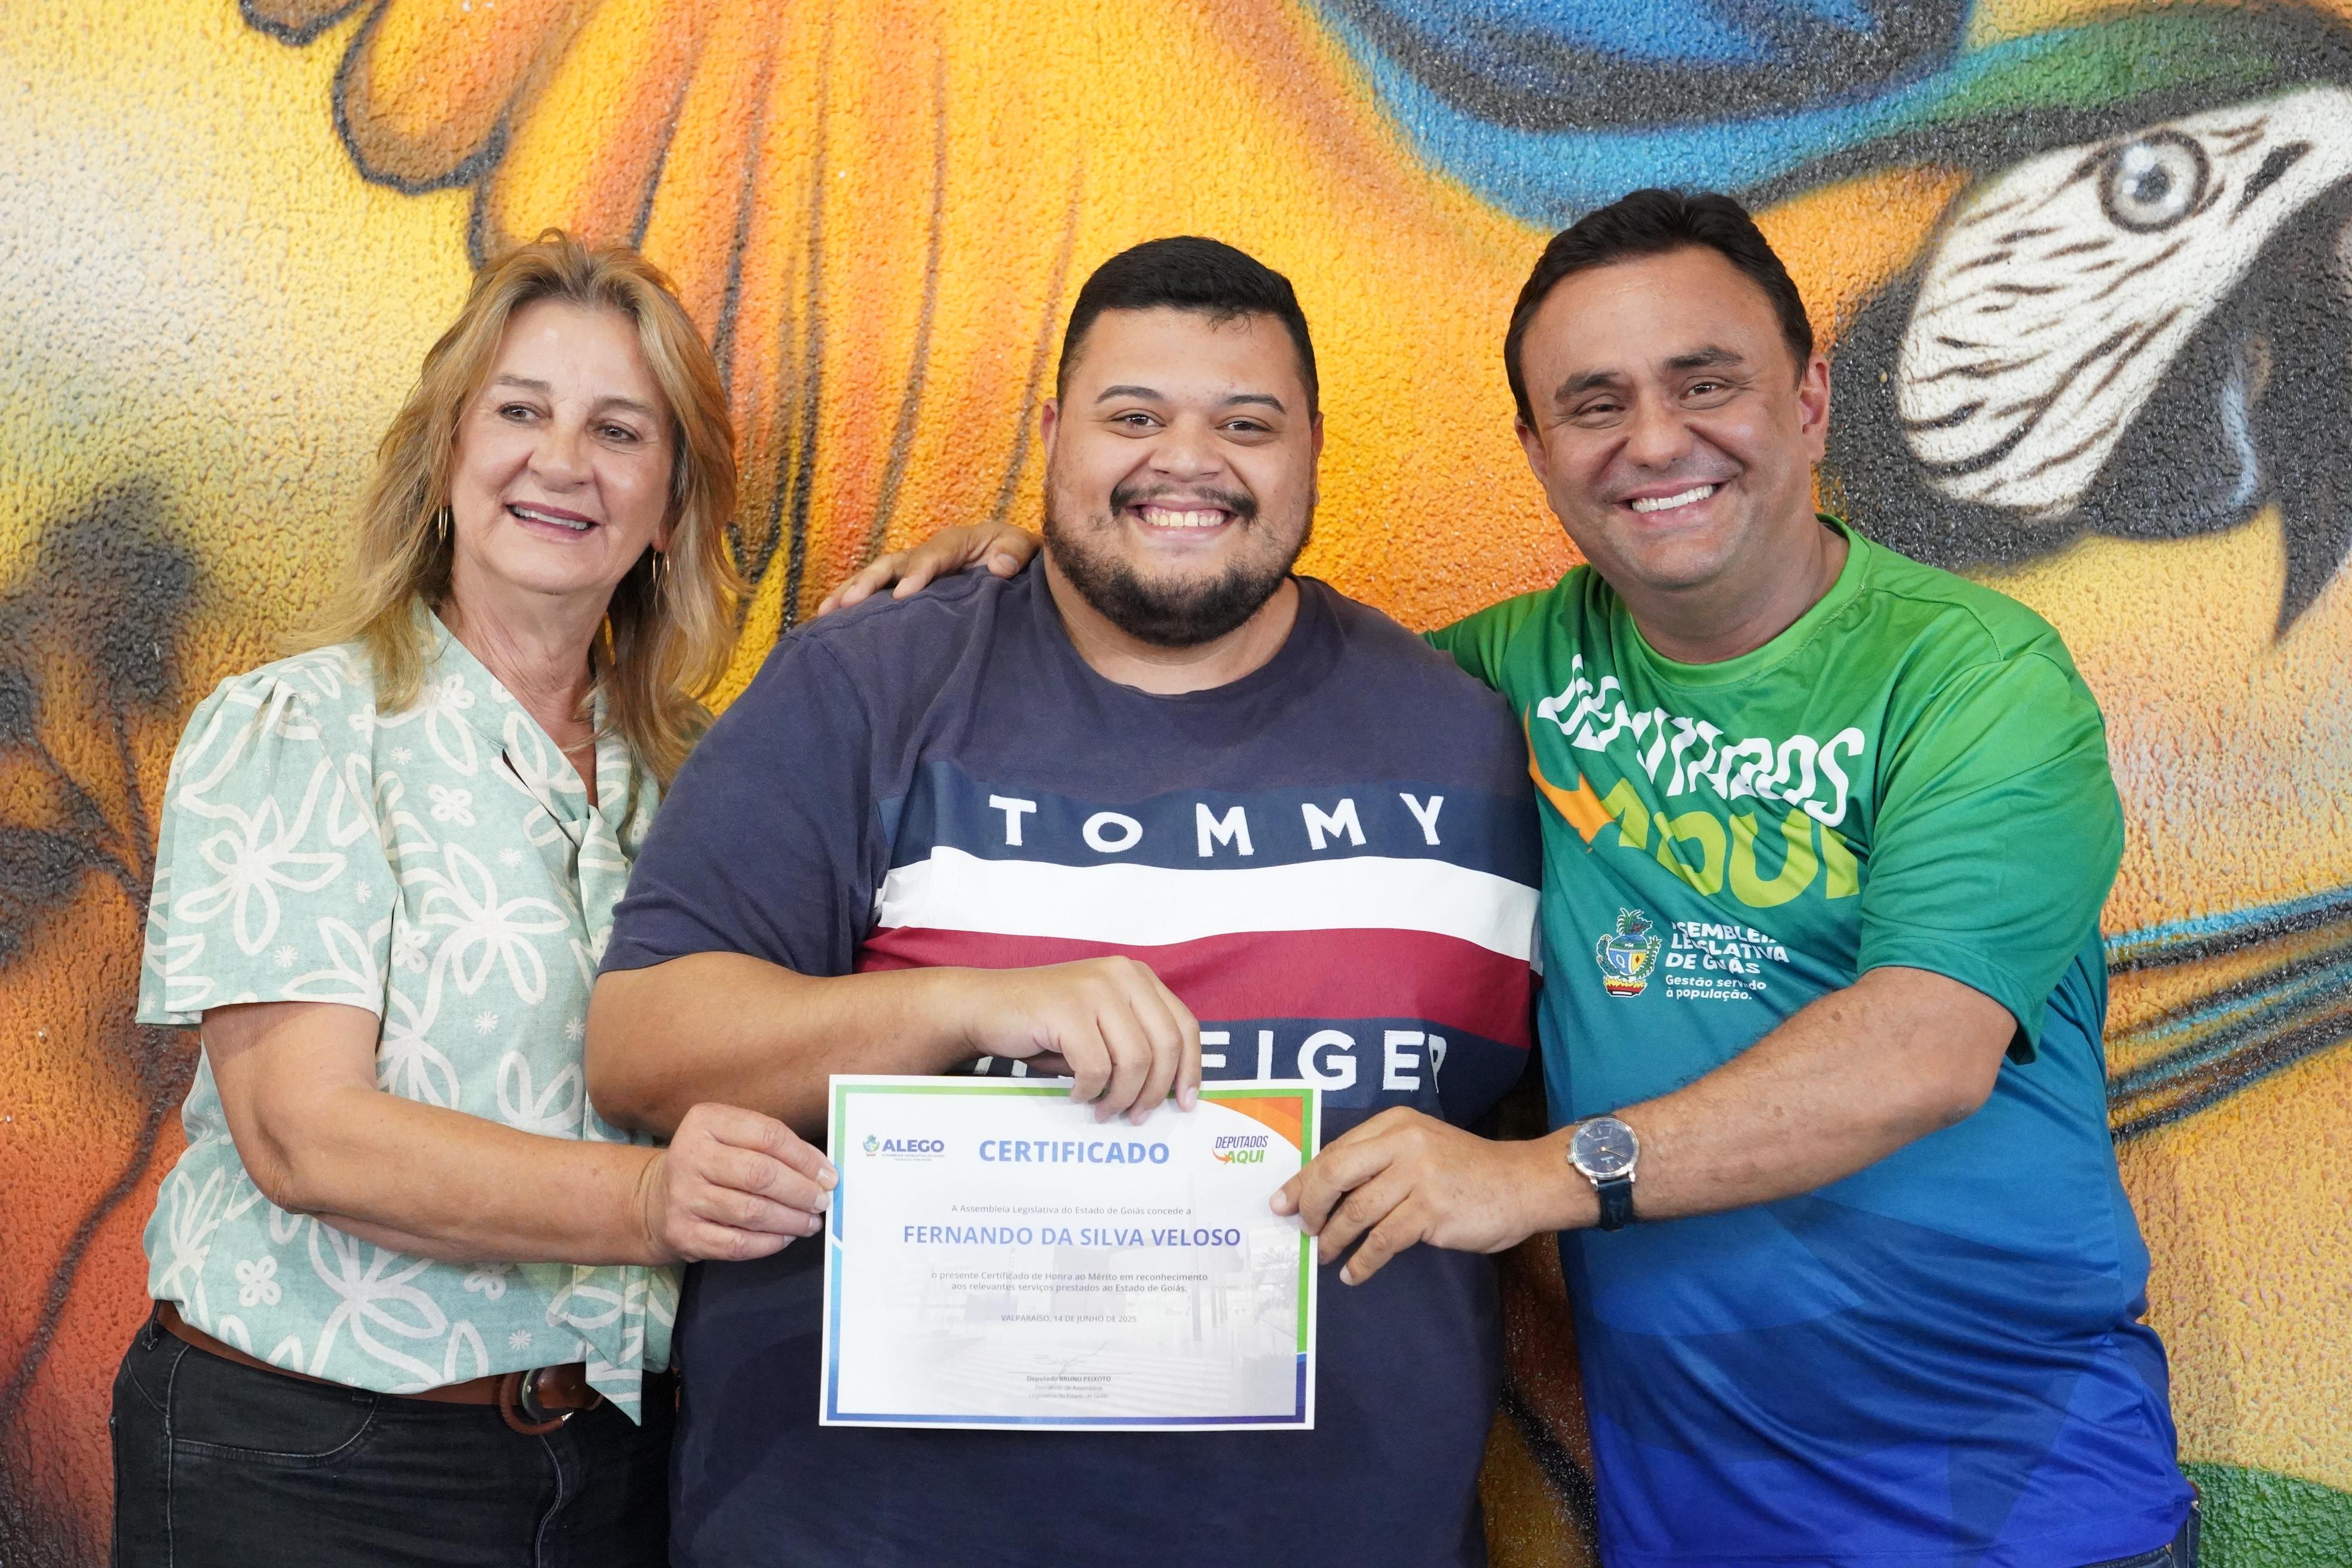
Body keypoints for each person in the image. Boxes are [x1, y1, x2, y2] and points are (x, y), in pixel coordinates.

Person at [831, 192, 2199, 1568]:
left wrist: (1541, 1176)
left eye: (1705, 383)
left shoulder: (1975, 676)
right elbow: (1223, 664)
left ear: (1808, 397)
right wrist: (1035, 583)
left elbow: (1924, 1049)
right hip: (1685, 1518)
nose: (1653, 440)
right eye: (1594, 404)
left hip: (2018, 1504)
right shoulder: (1489, 682)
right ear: (1538, 452)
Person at [584, 237, 1542, 1566]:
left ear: (1315, 449)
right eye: (1133, 417)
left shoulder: (1464, 738)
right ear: (1051, 437)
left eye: (1246, 424)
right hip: (867, 1536)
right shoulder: (867, 685)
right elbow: (641, 1044)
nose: (1186, 461)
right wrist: (968, 1008)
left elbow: (1552, 1107)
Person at [114, 232, 835, 1568]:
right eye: (519, 412)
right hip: (312, 1470)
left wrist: (985, 599)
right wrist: (650, 1201)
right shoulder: (299, 727)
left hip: (620, 1476)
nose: (563, 461)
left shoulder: (708, 785)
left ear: (672, 506)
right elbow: (304, 1137)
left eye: (619, 430)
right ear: (446, 457)